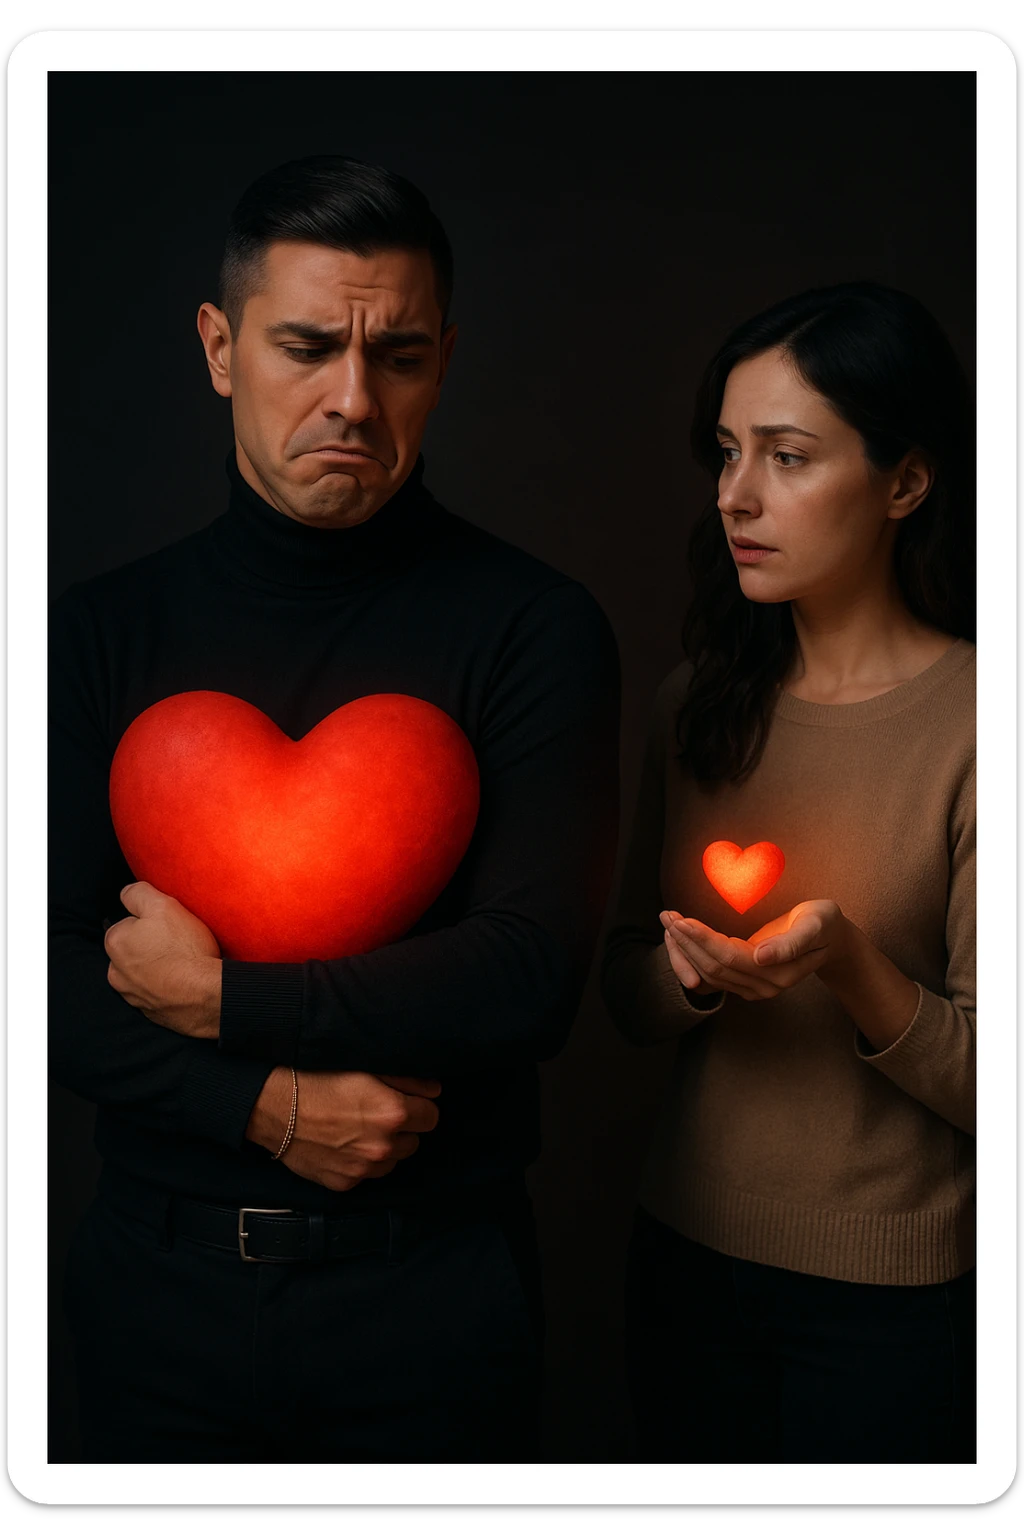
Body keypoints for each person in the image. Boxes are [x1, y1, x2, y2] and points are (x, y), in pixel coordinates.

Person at [49, 154, 620, 1464]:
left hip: (435, 1302)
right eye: (307, 347)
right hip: (157, 1296)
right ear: (218, 347)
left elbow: (526, 979)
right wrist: (263, 1102)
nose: (354, 399)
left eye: (402, 357)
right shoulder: (95, 636)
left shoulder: (532, 629)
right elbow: (42, 969)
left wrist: (225, 1004)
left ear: (446, 359)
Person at [601, 282, 975, 1464]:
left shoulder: (980, 722)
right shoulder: (694, 706)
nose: (735, 496)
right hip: (683, 1260)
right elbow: (619, 991)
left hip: (894, 1307)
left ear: (904, 483)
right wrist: (696, 977)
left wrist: (849, 966)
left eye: (788, 456)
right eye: (725, 452)